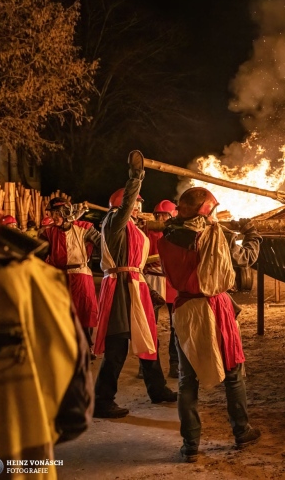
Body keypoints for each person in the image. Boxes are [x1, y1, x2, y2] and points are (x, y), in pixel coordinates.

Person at [0, 142, 93, 476]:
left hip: (79, 278)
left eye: (63, 210)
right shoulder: (28, 275)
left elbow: (89, 236)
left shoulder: (79, 229)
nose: (60, 215)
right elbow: (74, 412)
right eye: (56, 210)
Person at [158, 187, 261, 462]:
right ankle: (242, 431)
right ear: (205, 212)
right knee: (233, 371)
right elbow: (246, 258)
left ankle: (190, 445)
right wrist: (253, 235)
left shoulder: (166, 236)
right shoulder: (217, 237)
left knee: (186, 381)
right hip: (214, 310)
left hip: (184, 311)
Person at [93, 150, 176, 418]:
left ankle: (157, 388)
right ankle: (102, 401)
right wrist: (136, 177)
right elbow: (127, 204)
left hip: (135, 285)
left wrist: (149, 290)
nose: (139, 208)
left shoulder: (131, 228)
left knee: (148, 339)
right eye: (136, 204)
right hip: (119, 288)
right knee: (117, 347)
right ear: (126, 205)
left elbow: (136, 265)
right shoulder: (114, 223)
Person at [40, 197, 102, 357]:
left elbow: (104, 245)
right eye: (52, 213)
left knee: (85, 312)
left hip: (81, 276)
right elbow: (39, 254)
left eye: (56, 214)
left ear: (66, 213)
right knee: (61, 313)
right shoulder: (48, 233)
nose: (53, 217)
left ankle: (87, 347)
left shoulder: (85, 228)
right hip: (58, 277)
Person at [144, 200, 180, 378]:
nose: (160, 218)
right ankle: (149, 365)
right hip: (152, 280)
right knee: (150, 324)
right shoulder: (147, 231)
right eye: (157, 215)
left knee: (177, 326)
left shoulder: (178, 233)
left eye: (164, 215)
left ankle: (175, 363)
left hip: (172, 282)